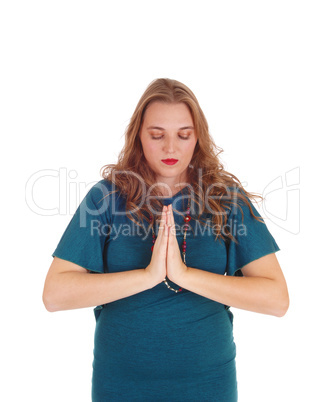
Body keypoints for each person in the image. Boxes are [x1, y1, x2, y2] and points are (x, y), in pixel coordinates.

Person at [42, 78, 289, 401]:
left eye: (183, 135)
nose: (170, 148)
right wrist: (148, 276)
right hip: (120, 385)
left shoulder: (227, 199)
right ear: (138, 136)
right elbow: (55, 295)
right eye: (157, 135)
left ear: (197, 137)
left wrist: (185, 275)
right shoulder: (104, 198)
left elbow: (276, 299)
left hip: (208, 385)